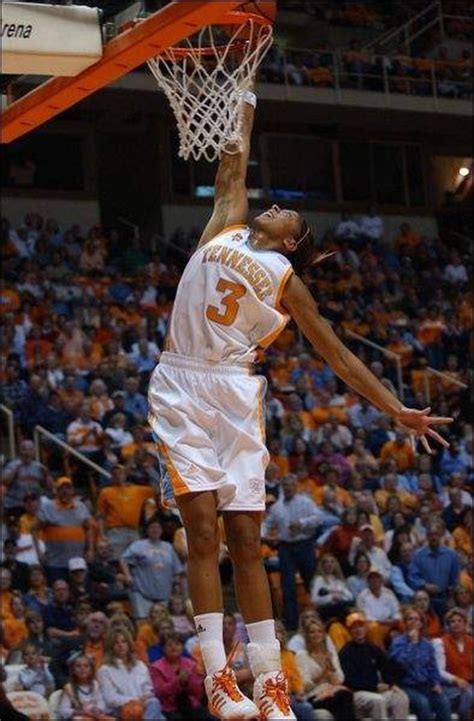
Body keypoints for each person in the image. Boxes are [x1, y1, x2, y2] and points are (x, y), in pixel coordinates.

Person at [147, 82, 452, 720]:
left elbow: (338, 356)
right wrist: (246, 89)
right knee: (202, 535)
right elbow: (234, 161)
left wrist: (395, 408)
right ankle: (218, 678)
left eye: (287, 213)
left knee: (247, 541)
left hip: (233, 391)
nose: (276, 206)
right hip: (180, 381)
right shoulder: (224, 223)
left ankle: (270, 681)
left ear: (292, 241)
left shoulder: (290, 284)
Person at [262, 474, 321, 631]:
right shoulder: (276, 508)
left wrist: (302, 523)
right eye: (285, 485)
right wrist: (264, 536)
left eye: (290, 485)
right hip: (286, 547)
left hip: (305, 544)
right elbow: (266, 525)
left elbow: (318, 518)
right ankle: (292, 623)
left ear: (296, 486)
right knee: (287, 585)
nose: (288, 488)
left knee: (311, 581)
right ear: (282, 487)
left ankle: (317, 618)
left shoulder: (305, 502)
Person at [339, 612, 409, 721]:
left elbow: (386, 668)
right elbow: (349, 680)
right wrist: (374, 686)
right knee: (378, 700)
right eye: (354, 628)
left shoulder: (372, 648)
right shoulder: (345, 652)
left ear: (365, 628)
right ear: (349, 631)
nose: (358, 630)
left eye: (361, 626)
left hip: (375, 690)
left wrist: (392, 684)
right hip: (357, 693)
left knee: (400, 696)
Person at [389, 605, 451, 721]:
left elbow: (433, 667)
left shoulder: (427, 644)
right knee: (423, 704)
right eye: (410, 619)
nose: (413, 621)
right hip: (406, 685)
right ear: (405, 622)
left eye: (417, 619)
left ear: (421, 623)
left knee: (444, 702)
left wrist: (436, 683)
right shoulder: (398, 642)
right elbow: (401, 663)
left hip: (426, 684)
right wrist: (412, 644)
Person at [120, 517, 184, 619]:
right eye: (152, 527)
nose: (155, 530)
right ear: (147, 530)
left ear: (162, 530)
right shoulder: (139, 545)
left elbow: (177, 570)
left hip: (164, 594)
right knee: (144, 622)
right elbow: (124, 559)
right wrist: (127, 575)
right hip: (142, 593)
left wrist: (177, 585)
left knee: (163, 622)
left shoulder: (168, 547)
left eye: (158, 527)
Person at [97, 627, 165, 721]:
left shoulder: (140, 665)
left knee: (154, 703)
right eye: (116, 643)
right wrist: (136, 700)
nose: (120, 645)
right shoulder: (105, 670)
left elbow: (148, 689)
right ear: (111, 646)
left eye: (124, 641)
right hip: (121, 709)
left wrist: (145, 698)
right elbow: (110, 698)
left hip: (143, 706)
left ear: (129, 644)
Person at [295, 618, 356, 721]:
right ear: (307, 636)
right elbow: (304, 686)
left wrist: (330, 664)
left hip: (332, 692)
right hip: (313, 696)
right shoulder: (302, 655)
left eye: (319, 631)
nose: (316, 634)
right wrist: (323, 673)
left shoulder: (330, 653)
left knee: (344, 696)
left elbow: (339, 680)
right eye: (312, 632)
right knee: (344, 697)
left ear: (324, 635)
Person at [151, 633, 209, 720]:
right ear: (163, 648)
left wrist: (187, 682)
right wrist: (178, 681)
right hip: (170, 708)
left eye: (177, 644)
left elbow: (198, 692)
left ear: (182, 647)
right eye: (169, 645)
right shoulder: (156, 667)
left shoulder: (191, 664)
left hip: (191, 705)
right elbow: (160, 692)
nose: (173, 647)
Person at [409, 520, 460, 616]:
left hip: (446, 598)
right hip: (425, 599)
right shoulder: (418, 555)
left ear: (441, 535)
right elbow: (412, 577)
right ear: (426, 536)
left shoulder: (451, 555)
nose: (433, 537)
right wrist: (425, 585)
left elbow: (455, 579)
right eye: (430, 534)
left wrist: (451, 598)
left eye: (436, 534)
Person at [433, 607, 473, 721]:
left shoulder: (471, 641)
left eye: (460, 621)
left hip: (469, 683)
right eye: (452, 621)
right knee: (469, 695)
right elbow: (439, 671)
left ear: (465, 623)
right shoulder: (440, 643)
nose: (456, 624)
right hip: (449, 686)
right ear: (448, 625)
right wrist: (456, 679)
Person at [58, 652, 113, 721]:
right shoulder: (69, 688)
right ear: (73, 670)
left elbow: (101, 702)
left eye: (86, 666)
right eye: (78, 666)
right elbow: (63, 710)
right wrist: (82, 712)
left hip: (95, 716)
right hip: (80, 717)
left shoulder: (96, 684)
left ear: (91, 670)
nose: (82, 669)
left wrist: (98, 709)